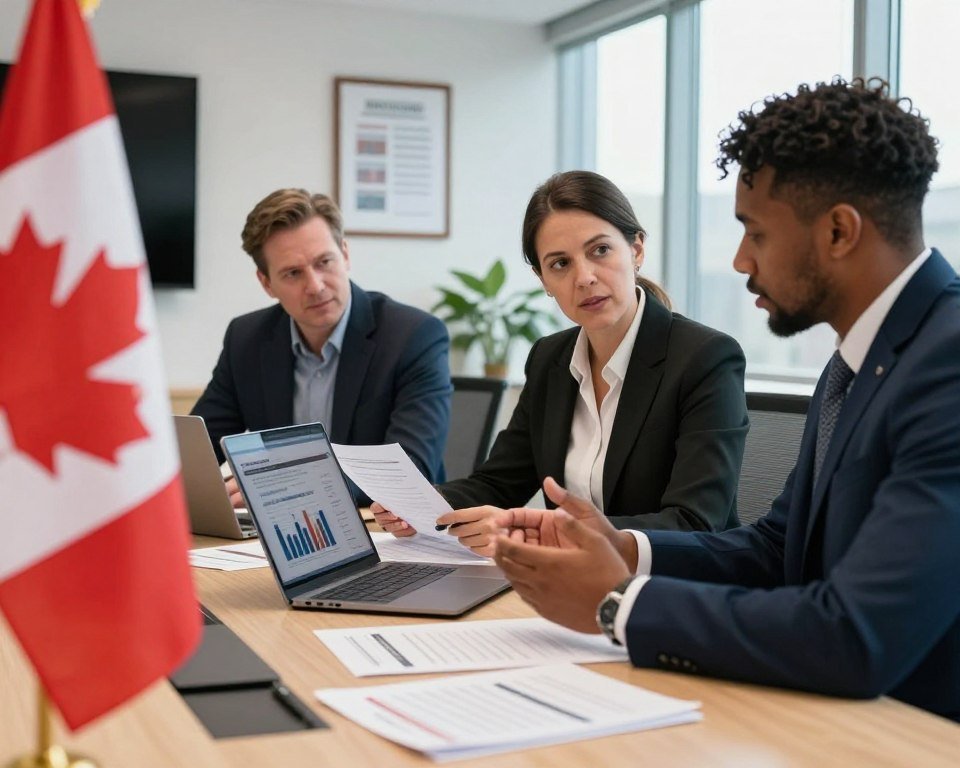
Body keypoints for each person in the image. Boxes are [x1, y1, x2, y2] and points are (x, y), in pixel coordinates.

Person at [492, 78, 960, 722]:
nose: (739, 261)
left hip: (912, 732)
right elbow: (776, 549)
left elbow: (857, 636)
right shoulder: (856, 363)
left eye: (756, 233)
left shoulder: (947, 365)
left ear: (839, 232)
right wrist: (622, 549)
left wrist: (617, 603)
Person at [374, 171, 748, 554]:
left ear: (636, 249)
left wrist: (551, 532)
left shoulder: (704, 358)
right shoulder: (550, 359)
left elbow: (695, 522)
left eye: (600, 250)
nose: (584, 277)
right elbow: (499, 484)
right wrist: (419, 505)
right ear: (543, 280)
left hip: (674, 588)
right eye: (560, 264)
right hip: (575, 584)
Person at [192, 188, 452, 505]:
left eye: (324, 262)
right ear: (266, 283)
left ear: (345, 255)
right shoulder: (246, 338)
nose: (315, 286)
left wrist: (284, 484)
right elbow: (196, 450)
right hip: (289, 531)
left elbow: (412, 469)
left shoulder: (413, 336)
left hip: (387, 532)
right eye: (292, 273)